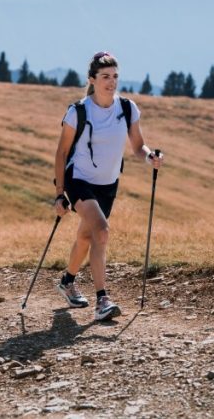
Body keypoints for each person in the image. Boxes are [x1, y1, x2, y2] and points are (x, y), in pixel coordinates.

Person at [53, 50, 163, 321]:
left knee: (86, 236)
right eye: (105, 77)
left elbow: (137, 145)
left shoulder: (127, 108)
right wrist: (58, 195)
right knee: (101, 231)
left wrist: (150, 156)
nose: (111, 82)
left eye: (115, 76)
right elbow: (61, 153)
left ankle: (67, 281)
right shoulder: (78, 112)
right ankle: (103, 300)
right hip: (79, 180)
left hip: (107, 184)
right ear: (92, 79)